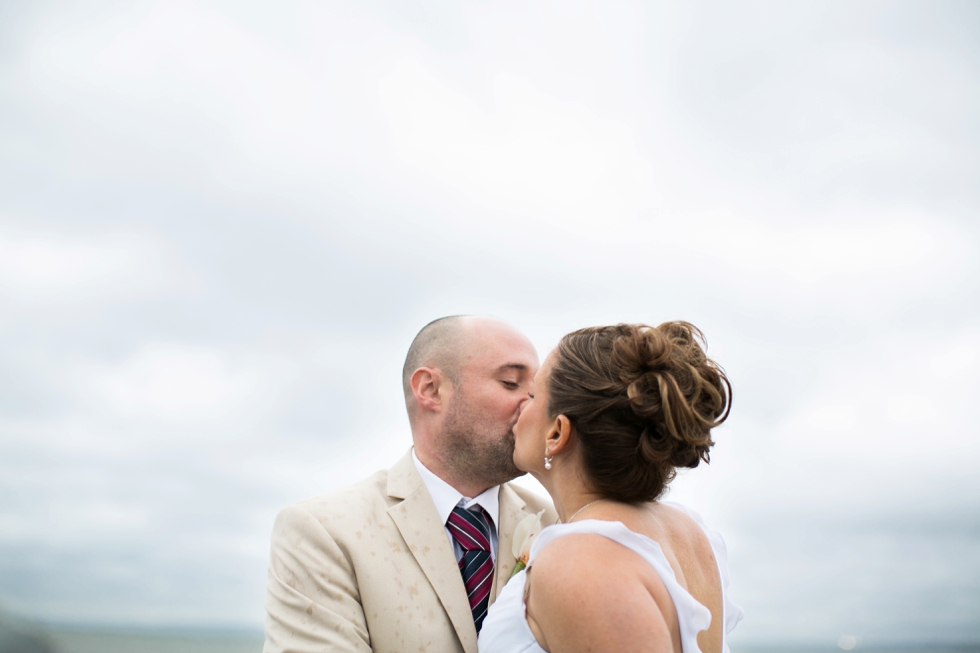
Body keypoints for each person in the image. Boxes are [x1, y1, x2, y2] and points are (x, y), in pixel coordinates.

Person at [263, 316, 558, 653]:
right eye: (511, 382)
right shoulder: (323, 531)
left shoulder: (561, 524)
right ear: (431, 390)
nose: (534, 406)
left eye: (536, 391)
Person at [479, 322, 743, 653]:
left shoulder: (579, 558)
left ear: (557, 433)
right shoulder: (690, 532)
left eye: (533, 395)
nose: (520, 405)